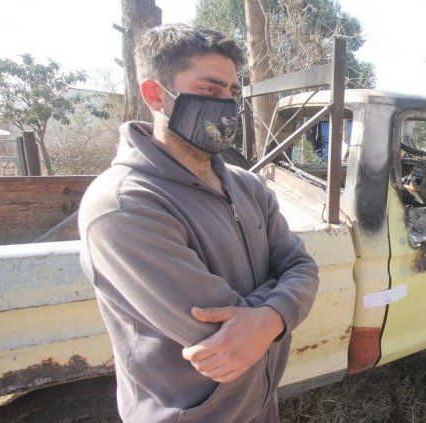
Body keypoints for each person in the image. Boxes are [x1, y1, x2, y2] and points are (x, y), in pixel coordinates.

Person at [78, 24, 319, 423]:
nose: (226, 105)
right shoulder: (124, 205)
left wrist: (269, 319)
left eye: (232, 93)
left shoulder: (246, 185)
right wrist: (282, 309)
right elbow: (220, 337)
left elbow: (302, 266)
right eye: (209, 91)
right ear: (155, 94)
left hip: (261, 406)